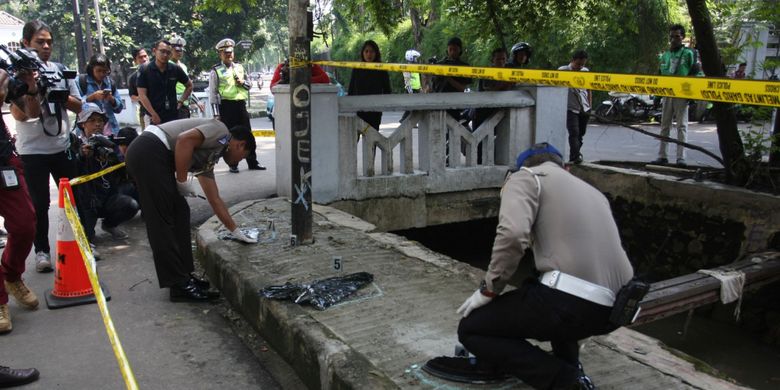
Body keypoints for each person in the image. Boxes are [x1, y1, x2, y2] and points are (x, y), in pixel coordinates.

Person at [455, 143, 634, 390]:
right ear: (566, 167)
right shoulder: (593, 192)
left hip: (572, 304)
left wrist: (489, 289)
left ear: (517, 170)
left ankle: (566, 382)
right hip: (618, 309)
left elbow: (512, 234)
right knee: (545, 285)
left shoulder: (526, 178)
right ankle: (570, 364)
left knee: (472, 328)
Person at [125, 118, 257, 302]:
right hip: (149, 151)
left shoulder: (211, 154)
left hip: (156, 157)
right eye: (242, 157)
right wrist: (181, 180)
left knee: (180, 213)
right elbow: (184, 140)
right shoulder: (221, 131)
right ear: (240, 145)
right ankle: (177, 284)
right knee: (163, 220)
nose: (237, 162)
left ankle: (184, 275)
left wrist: (235, 231)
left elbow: (214, 198)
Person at [10, 20, 83, 273]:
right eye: (39, 42)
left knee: (73, 200)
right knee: (40, 205)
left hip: (61, 146)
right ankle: (42, 251)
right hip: (32, 152)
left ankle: (82, 243)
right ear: (25, 44)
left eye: (49, 41)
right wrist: (33, 87)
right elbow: (24, 115)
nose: (46, 46)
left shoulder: (60, 69)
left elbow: (79, 106)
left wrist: (57, 92)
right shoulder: (15, 77)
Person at [0, 69, 38, 334]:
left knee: (25, 225)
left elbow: (27, 112)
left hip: (4, 162)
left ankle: (11, 275)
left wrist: (26, 85)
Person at [71, 104, 139, 242]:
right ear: (83, 124)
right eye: (92, 121)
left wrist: (113, 149)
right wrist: (83, 156)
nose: (97, 124)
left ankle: (109, 225)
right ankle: (88, 234)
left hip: (107, 196)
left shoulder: (108, 143)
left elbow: (123, 167)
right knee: (87, 239)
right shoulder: (75, 143)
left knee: (130, 204)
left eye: (100, 121)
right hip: (86, 201)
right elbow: (72, 171)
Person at [208, 38, 265, 173]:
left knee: (248, 135)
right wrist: (216, 114)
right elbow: (213, 94)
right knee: (229, 137)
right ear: (220, 54)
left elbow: (249, 85)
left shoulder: (239, 67)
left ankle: (252, 161)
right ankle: (232, 163)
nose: (229, 55)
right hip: (226, 107)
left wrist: (242, 82)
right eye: (226, 53)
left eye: (231, 52)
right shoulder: (215, 71)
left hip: (240, 104)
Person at [652, 24, 695, 167]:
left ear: (682, 37)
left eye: (677, 36)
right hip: (666, 94)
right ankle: (662, 156)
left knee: (682, 126)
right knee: (665, 125)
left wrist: (692, 95)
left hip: (682, 95)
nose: (674, 39)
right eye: (671, 36)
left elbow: (695, 74)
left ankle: (681, 157)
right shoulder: (665, 55)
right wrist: (657, 97)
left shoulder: (688, 53)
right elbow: (660, 76)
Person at [137, 39, 193, 125]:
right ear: (154, 51)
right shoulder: (145, 69)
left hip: (173, 115)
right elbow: (142, 95)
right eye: (162, 51)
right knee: (154, 138)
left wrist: (181, 101)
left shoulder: (175, 69)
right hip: (152, 116)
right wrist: (153, 114)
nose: (165, 55)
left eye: (168, 52)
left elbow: (189, 85)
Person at [347, 40, 392, 131]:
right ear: (362, 53)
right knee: (354, 139)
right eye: (366, 51)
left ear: (376, 53)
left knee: (372, 141)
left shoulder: (381, 68)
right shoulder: (357, 68)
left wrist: (384, 105)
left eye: (371, 51)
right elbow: (351, 89)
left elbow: (387, 90)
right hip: (358, 110)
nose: (369, 54)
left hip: (375, 111)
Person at [558, 50, 592, 164]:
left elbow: (588, 89)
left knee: (581, 133)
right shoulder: (563, 71)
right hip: (570, 108)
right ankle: (575, 156)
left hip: (584, 107)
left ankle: (576, 152)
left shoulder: (585, 71)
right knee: (574, 132)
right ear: (572, 61)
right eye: (578, 64)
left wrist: (590, 105)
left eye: (583, 64)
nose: (580, 67)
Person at [78, 53, 124, 135]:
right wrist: (92, 97)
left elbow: (119, 108)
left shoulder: (110, 83)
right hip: (88, 130)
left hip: (110, 129)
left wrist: (111, 99)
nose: (102, 74)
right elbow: (75, 104)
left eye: (105, 71)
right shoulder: (82, 81)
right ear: (92, 69)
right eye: (98, 71)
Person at [169, 36, 194, 119]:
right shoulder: (167, 65)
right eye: (176, 51)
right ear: (171, 50)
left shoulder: (183, 66)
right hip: (173, 102)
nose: (179, 53)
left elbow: (188, 86)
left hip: (184, 102)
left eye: (181, 51)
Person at [127, 47, 149, 129]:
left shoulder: (157, 73)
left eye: (145, 56)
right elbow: (132, 96)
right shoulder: (133, 78)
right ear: (135, 61)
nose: (144, 59)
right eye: (140, 57)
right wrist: (142, 97)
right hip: (144, 113)